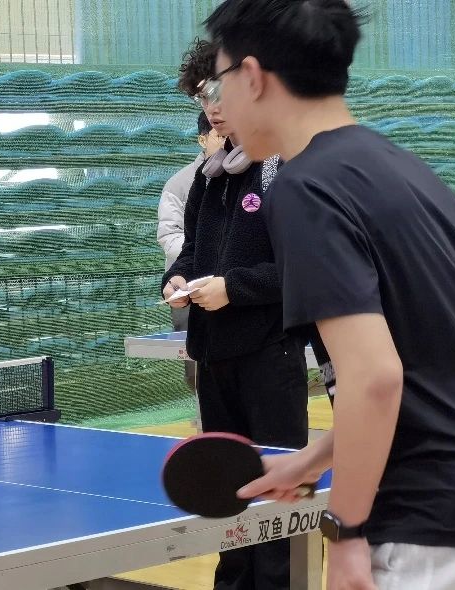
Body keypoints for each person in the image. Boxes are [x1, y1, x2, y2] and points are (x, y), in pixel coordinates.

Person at [201, 1, 455, 588]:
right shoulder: (404, 170)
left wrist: (347, 531)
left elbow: (375, 377)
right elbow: (433, 372)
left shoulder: (304, 187)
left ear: (252, 76)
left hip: (439, 525)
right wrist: (313, 459)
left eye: (218, 81)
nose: (217, 104)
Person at [161, 38, 309, 590]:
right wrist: (178, 280)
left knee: (275, 490)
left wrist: (234, 289)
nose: (211, 108)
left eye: (217, 93)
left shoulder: (284, 168)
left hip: (270, 355)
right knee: (227, 488)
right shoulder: (209, 174)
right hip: (214, 355)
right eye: (202, 97)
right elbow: (192, 252)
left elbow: (304, 268)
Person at [158, 109, 226, 392]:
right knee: (197, 373)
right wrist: (204, 259)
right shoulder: (181, 183)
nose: (226, 141)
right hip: (190, 290)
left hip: (228, 289)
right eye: (219, 135)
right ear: (202, 139)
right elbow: (170, 236)